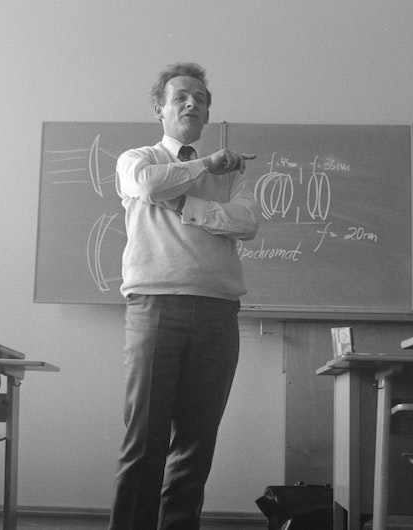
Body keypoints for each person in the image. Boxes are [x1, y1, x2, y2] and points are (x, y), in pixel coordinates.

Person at [108, 63, 260, 530]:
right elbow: (151, 185)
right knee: (145, 442)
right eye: (181, 97)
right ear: (160, 108)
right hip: (155, 308)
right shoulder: (138, 157)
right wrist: (206, 165)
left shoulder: (233, 176)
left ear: (208, 112)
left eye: (200, 97)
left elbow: (246, 223)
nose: (192, 103)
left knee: (196, 444)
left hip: (217, 311)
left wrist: (186, 205)